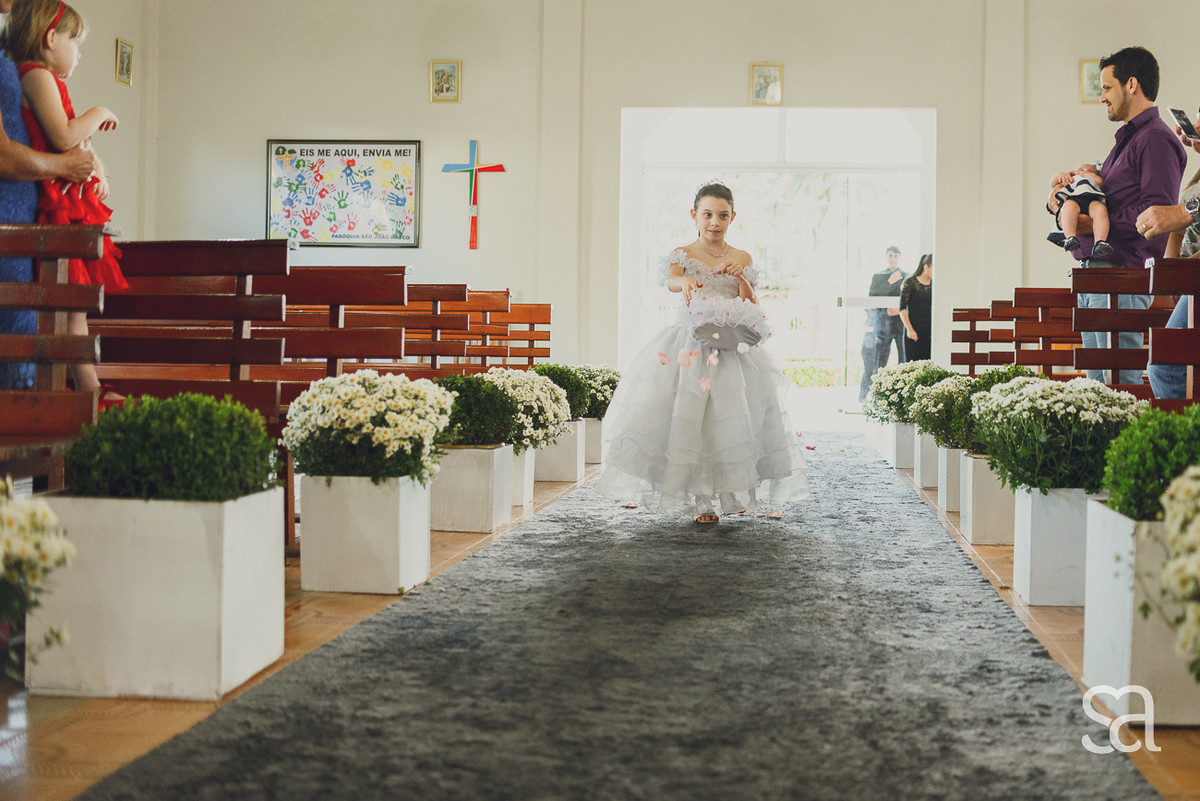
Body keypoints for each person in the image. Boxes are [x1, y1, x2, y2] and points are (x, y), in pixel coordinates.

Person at [598, 182, 808, 524]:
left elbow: (751, 302)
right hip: (691, 348)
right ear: (694, 215)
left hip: (732, 349)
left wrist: (743, 279)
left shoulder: (742, 257)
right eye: (708, 214)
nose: (714, 222)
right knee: (694, 418)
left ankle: (730, 489)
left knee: (731, 418)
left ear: (732, 217)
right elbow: (672, 281)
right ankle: (702, 499)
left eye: (722, 215)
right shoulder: (683, 254)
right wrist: (685, 282)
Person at [1046, 46, 1186, 386]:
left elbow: (1155, 217)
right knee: (1098, 387)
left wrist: (1090, 224)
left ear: (1131, 84)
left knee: (1119, 387)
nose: (1103, 97)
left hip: (1120, 278)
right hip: (1099, 275)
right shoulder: (1129, 140)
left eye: (1107, 87)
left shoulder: (1155, 139)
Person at [7, 0, 124, 400]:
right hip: (58, 203)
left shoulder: (43, 77)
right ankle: (85, 391)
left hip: (67, 200)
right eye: (75, 41)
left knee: (74, 304)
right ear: (50, 38)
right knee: (67, 303)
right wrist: (98, 111)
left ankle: (90, 389)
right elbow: (63, 135)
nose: (79, 53)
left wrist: (97, 166)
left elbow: (74, 142)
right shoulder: (35, 74)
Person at [0, 0, 92, 391]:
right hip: (8, 224)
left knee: (22, 346)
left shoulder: (7, 50)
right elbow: (2, 155)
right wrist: (66, 166)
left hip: (22, 220)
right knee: (16, 352)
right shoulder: (30, 70)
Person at [1135, 109, 1200, 399]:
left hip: (1195, 279)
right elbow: (1179, 229)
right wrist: (1172, 272)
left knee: (1166, 367)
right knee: (1167, 366)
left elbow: (1185, 214)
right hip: (1190, 283)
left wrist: (1186, 272)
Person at [858, 246, 907, 402]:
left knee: (904, 363)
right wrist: (889, 282)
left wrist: (898, 310)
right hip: (882, 325)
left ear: (900, 258)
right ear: (886, 257)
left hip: (901, 325)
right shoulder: (878, 277)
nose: (893, 259)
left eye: (896, 256)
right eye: (890, 256)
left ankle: (902, 399)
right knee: (879, 363)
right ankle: (875, 398)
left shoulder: (906, 276)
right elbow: (872, 297)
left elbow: (910, 300)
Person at [1048, 162, 1114, 259]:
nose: (1084, 171)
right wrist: (1060, 175)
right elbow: (1052, 183)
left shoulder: (1093, 180)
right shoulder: (1072, 179)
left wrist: (1085, 174)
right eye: (1080, 169)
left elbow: (1100, 181)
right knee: (1068, 207)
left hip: (1092, 200)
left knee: (1100, 209)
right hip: (1074, 199)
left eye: (1091, 171)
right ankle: (1070, 237)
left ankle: (1100, 241)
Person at [899, 253, 933, 362]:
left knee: (928, 366)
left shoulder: (935, 284)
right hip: (913, 331)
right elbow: (902, 308)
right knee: (912, 366)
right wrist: (910, 329)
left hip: (929, 332)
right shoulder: (910, 282)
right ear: (926, 267)